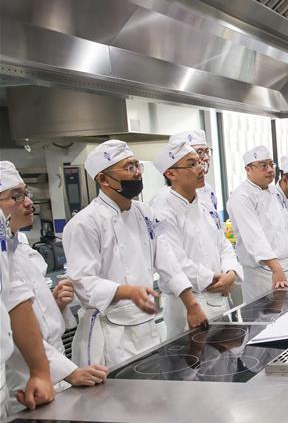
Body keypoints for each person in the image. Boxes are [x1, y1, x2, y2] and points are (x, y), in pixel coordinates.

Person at [62, 139, 208, 367]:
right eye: (129, 168)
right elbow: (83, 282)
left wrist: (192, 305)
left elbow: (167, 260)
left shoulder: (146, 213)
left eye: (137, 165)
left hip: (146, 326)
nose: (137, 173)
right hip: (109, 332)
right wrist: (126, 291)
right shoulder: (84, 223)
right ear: (104, 180)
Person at [0, 162, 107, 403]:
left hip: (51, 366)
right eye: (16, 196)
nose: (29, 202)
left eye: (26, 193)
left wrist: (55, 303)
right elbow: (12, 323)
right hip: (23, 375)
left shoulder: (21, 250)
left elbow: (23, 307)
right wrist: (67, 372)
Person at [152, 140, 242, 336]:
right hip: (189, 304)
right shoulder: (162, 211)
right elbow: (174, 262)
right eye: (192, 164)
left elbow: (223, 244)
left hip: (219, 296)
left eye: (199, 162)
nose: (201, 168)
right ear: (171, 174)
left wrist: (231, 272)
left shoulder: (204, 203)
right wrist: (215, 278)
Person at [226, 146, 288, 303]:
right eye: (263, 165)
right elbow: (254, 237)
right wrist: (275, 268)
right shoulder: (241, 197)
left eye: (271, 164)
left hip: (286, 267)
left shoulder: (273, 192)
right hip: (263, 272)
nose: (270, 170)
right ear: (248, 169)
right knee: (267, 314)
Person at [0, 209, 55, 416]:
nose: (27, 202)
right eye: (15, 196)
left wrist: (40, 371)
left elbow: (13, 296)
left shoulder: (2, 228)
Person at [150, 129, 220, 222]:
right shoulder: (162, 203)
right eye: (199, 152)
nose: (206, 158)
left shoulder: (207, 189)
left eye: (207, 151)